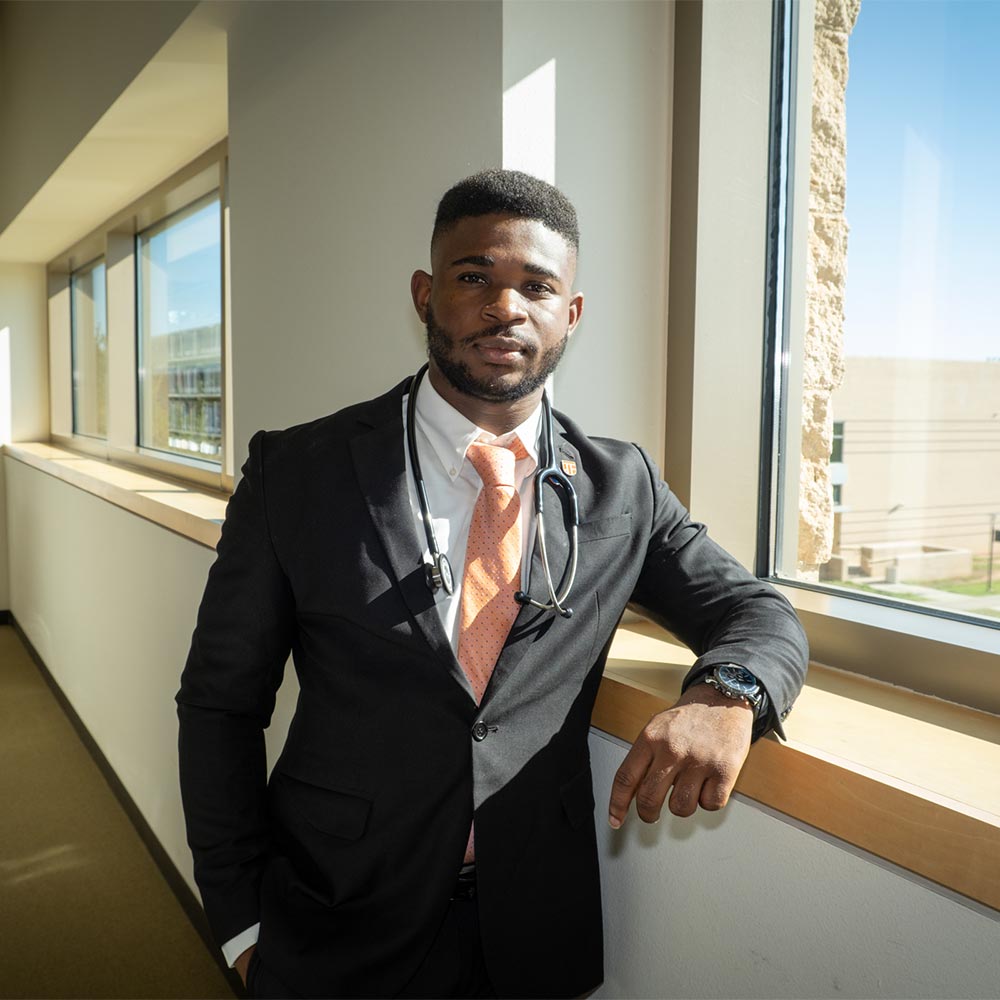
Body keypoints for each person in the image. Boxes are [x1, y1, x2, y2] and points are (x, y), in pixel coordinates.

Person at [177, 169, 808, 999]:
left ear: (569, 314)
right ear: (425, 295)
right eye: (474, 276)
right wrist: (242, 922)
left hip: (532, 931)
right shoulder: (298, 473)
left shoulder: (623, 487)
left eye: (537, 287)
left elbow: (753, 607)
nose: (505, 307)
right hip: (332, 920)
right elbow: (220, 704)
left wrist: (729, 695)